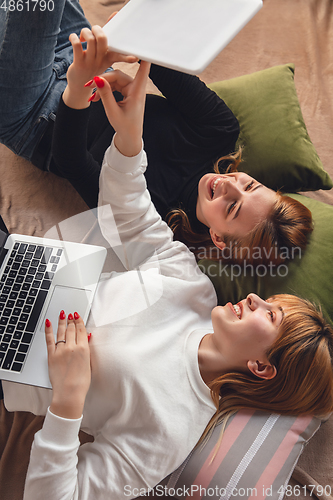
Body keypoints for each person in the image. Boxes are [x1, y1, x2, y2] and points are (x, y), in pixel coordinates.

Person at [2, 58, 332, 500]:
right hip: (21, 263)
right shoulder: (195, 290)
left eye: (271, 315)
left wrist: (67, 401)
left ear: (261, 366)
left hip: (11, 346)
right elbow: (132, 214)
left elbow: (55, 495)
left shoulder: (173, 430)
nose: (256, 298)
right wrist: (130, 133)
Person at [0, 4, 313, 267]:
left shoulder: (151, 225)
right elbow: (159, 60)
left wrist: (79, 85)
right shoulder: (220, 131)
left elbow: (71, 159)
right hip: (83, 56)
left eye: (233, 208)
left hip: (36, 115)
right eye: (249, 184)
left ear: (218, 238)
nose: (229, 184)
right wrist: (126, 35)